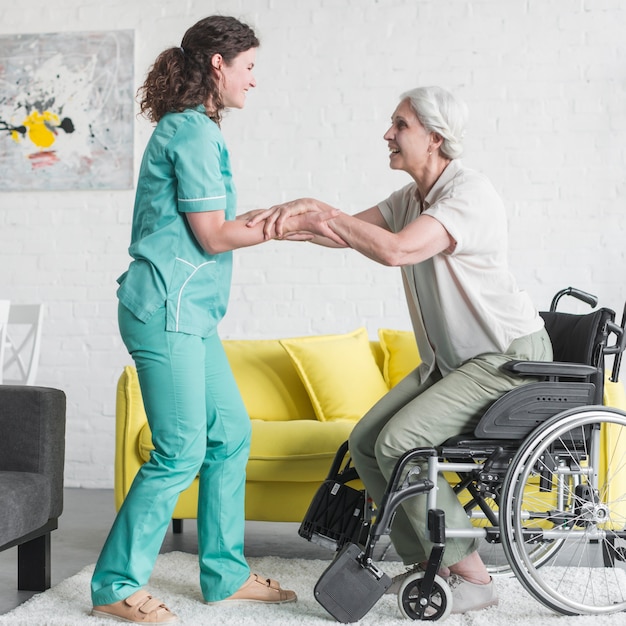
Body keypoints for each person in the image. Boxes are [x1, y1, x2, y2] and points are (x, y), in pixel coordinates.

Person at [248, 86, 553, 614]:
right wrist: (281, 221)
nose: (388, 134)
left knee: (399, 445)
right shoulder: (412, 197)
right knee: (366, 442)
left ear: (434, 138)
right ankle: (432, 562)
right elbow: (345, 234)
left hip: (504, 360)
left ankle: (474, 578)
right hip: (453, 362)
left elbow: (396, 250)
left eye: (400, 124)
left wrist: (318, 208)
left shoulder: (468, 194)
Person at [89, 16, 315, 623]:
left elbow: (213, 231)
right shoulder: (189, 133)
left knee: (231, 432)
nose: (253, 80)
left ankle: (223, 573)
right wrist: (290, 220)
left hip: (188, 315)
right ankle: (113, 584)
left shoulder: (197, 130)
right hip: (164, 311)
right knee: (180, 449)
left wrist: (284, 217)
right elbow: (214, 236)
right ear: (218, 64)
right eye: (248, 67)